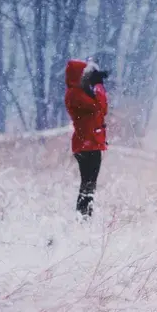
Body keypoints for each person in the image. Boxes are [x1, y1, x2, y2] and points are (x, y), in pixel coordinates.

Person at [64, 58, 109, 217]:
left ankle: (84, 216)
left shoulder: (79, 93)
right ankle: (83, 217)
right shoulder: (75, 94)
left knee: (89, 184)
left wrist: (95, 86)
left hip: (90, 143)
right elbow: (100, 107)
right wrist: (98, 86)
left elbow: (100, 111)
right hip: (87, 145)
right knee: (88, 184)